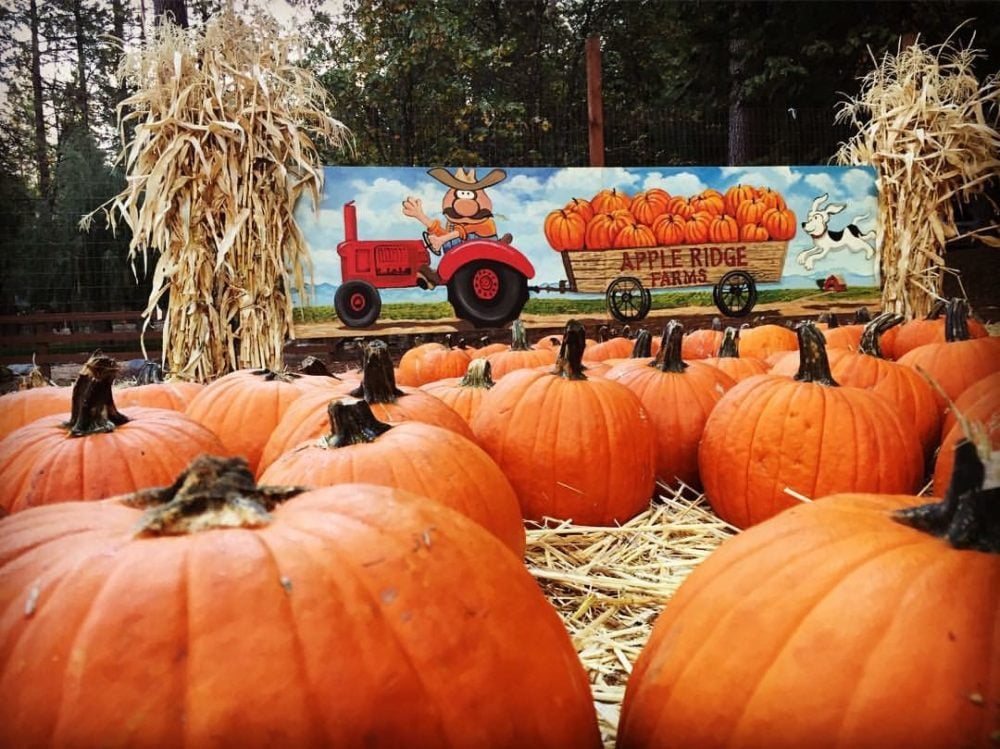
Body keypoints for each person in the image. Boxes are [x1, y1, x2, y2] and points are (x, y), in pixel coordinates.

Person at [402, 167, 512, 289]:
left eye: (469, 194)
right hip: (460, 257)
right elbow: (445, 233)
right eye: (461, 194)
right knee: (446, 240)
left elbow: (462, 232)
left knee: (451, 239)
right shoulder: (453, 225)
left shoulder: (486, 224)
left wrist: (441, 240)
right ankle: (433, 277)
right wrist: (420, 216)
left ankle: (438, 276)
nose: (463, 203)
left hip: (479, 255)